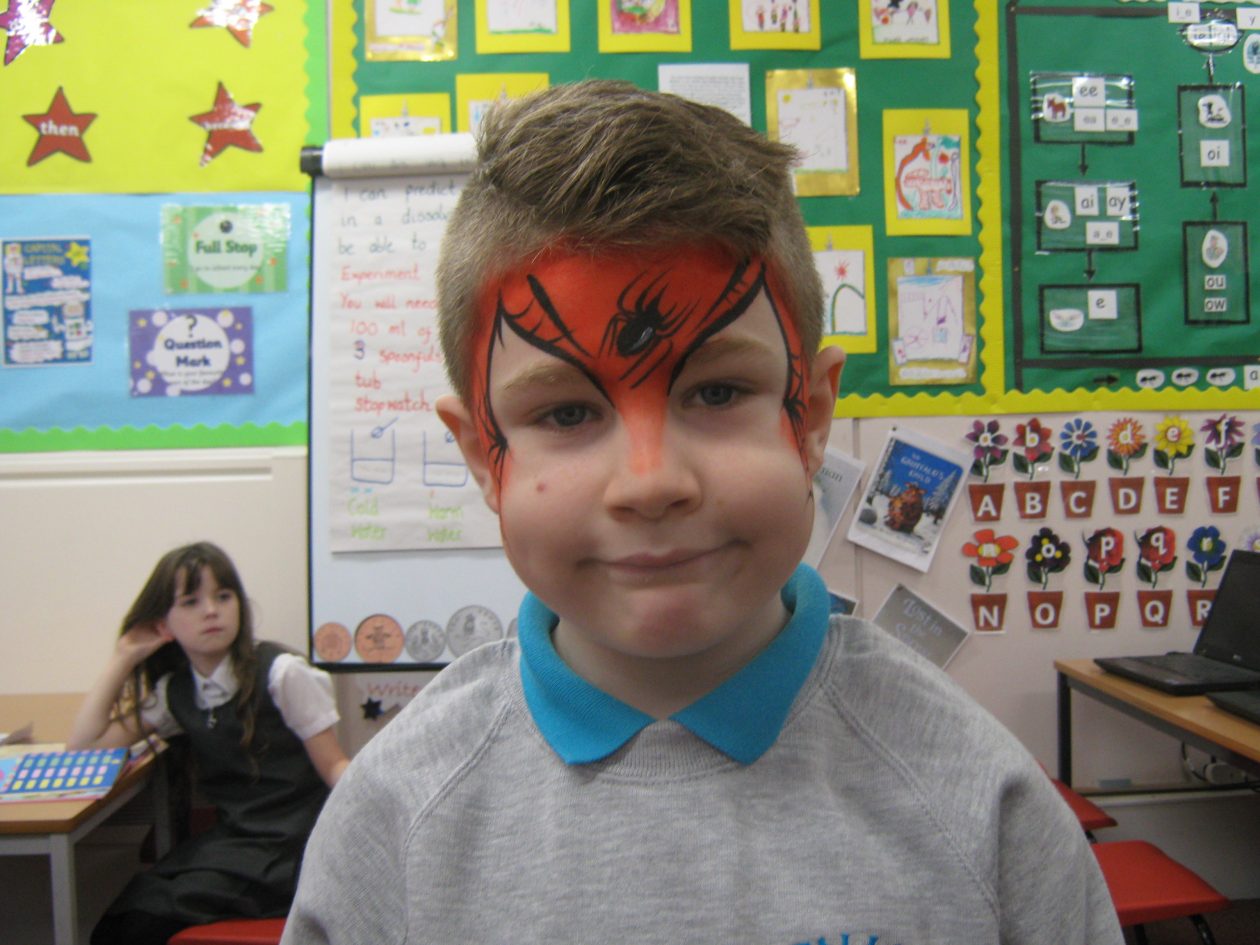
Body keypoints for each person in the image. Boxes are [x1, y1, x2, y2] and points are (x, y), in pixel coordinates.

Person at [283, 80, 1122, 944]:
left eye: (717, 392)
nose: (650, 483)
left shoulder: (981, 803)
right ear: (480, 456)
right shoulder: (394, 823)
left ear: (811, 419)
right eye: (566, 413)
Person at [68, 541, 349, 945]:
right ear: (163, 623)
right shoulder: (176, 691)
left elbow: (335, 767)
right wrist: (124, 656)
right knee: (122, 918)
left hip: (292, 846)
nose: (212, 611)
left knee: (135, 926)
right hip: (236, 842)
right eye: (191, 601)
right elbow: (85, 747)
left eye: (223, 596)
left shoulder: (284, 674)